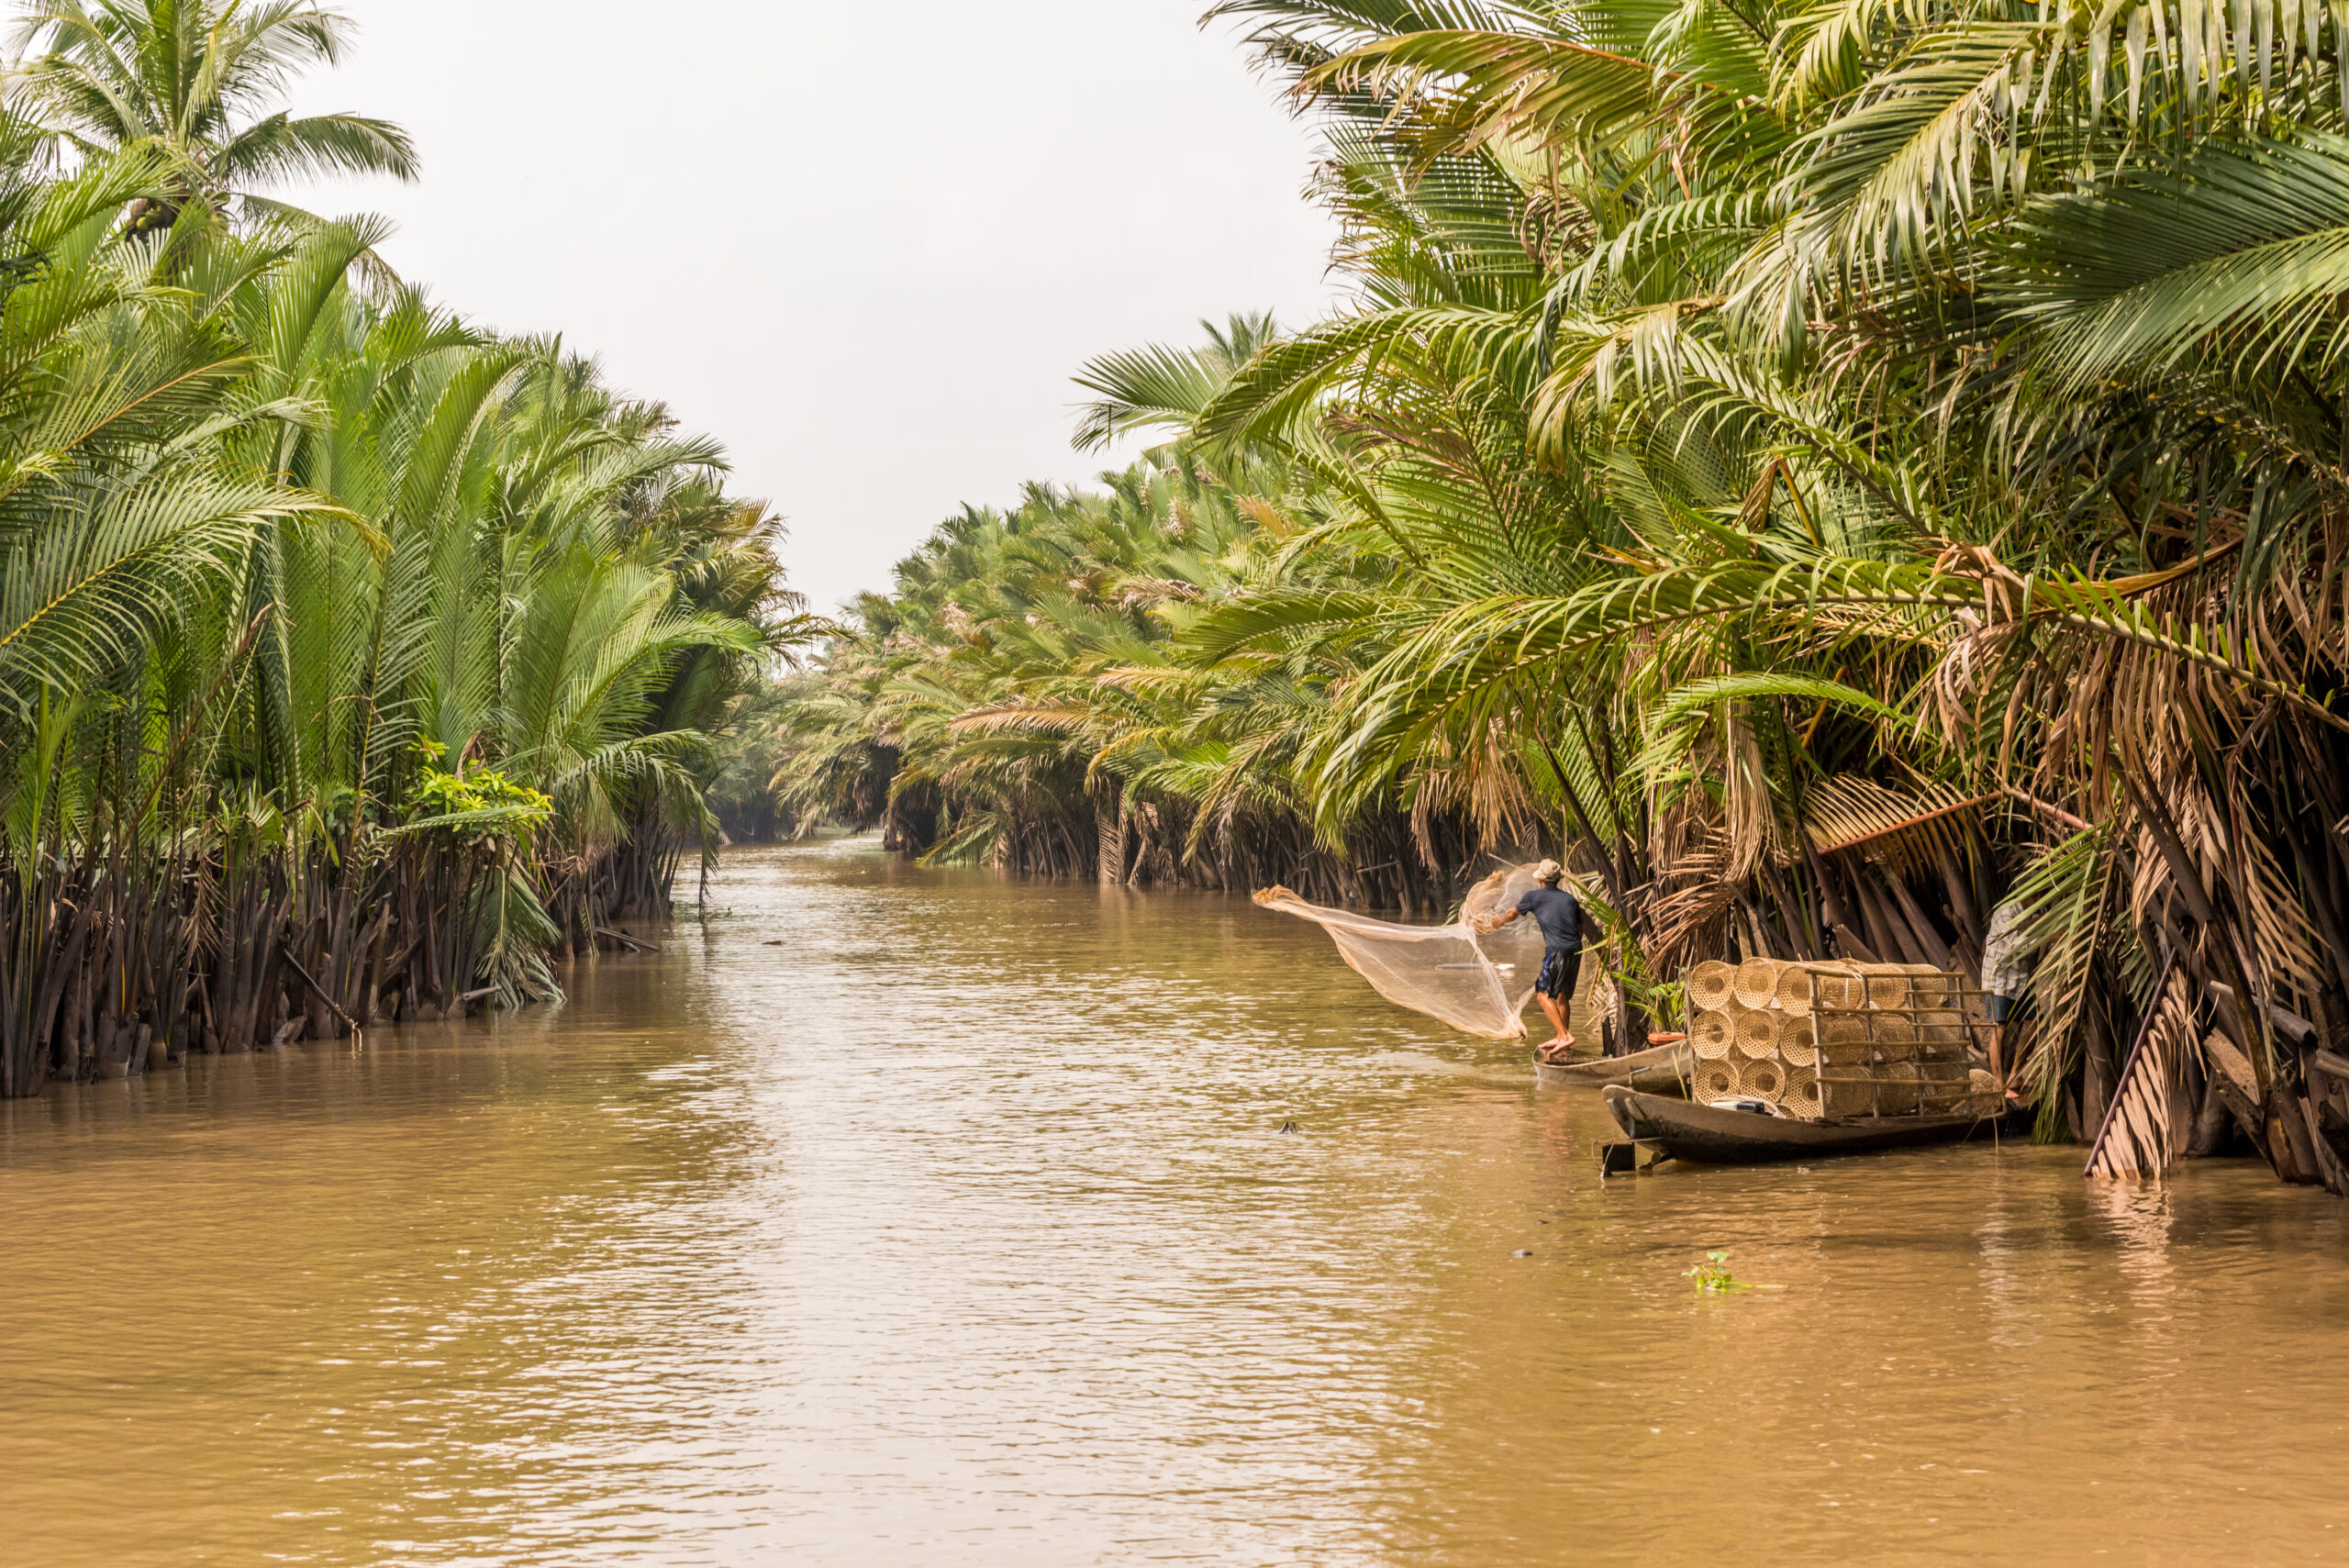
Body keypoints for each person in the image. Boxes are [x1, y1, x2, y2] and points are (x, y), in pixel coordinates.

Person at [1475, 860, 1585, 1060]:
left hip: (1557, 950)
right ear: (1557, 880)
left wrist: (1496, 922)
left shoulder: (1534, 896)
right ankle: (1563, 1041)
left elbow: (1512, 914)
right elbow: (1579, 929)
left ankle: (1564, 1036)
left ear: (1541, 880)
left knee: (1542, 995)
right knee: (1562, 996)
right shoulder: (1570, 900)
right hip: (1576, 949)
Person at [1977, 895, 2033, 1105]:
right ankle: (1998, 1083)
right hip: (1998, 979)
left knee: (2033, 1023)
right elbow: (2014, 946)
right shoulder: (2006, 911)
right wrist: (2048, 937)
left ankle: (2014, 1076)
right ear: (2030, 895)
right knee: (1998, 1029)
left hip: (2020, 981)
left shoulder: (2036, 911)